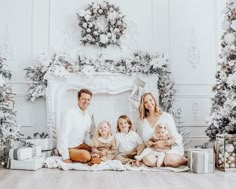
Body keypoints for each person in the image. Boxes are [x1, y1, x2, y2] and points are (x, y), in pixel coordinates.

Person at [138, 92, 188, 167]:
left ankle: (185, 160)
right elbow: (143, 140)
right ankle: (162, 162)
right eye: (145, 102)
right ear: (143, 105)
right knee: (148, 160)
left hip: (169, 148)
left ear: (154, 100)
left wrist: (165, 143)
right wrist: (149, 144)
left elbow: (174, 137)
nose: (149, 103)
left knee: (169, 159)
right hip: (153, 150)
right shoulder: (142, 121)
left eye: (150, 100)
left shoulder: (166, 116)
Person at [57, 88, 93, 163]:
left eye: (88, 99)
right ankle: (61, 153)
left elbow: (86, 136)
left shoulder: (87, 116)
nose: (86, 102)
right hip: (69, 148)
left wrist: (92, 145)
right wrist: (66, 157)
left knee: (99, 150)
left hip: (80, 146)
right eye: (83, 99)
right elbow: (63, 135)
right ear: (78, 99)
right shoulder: (70, 113)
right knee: (86, 156)